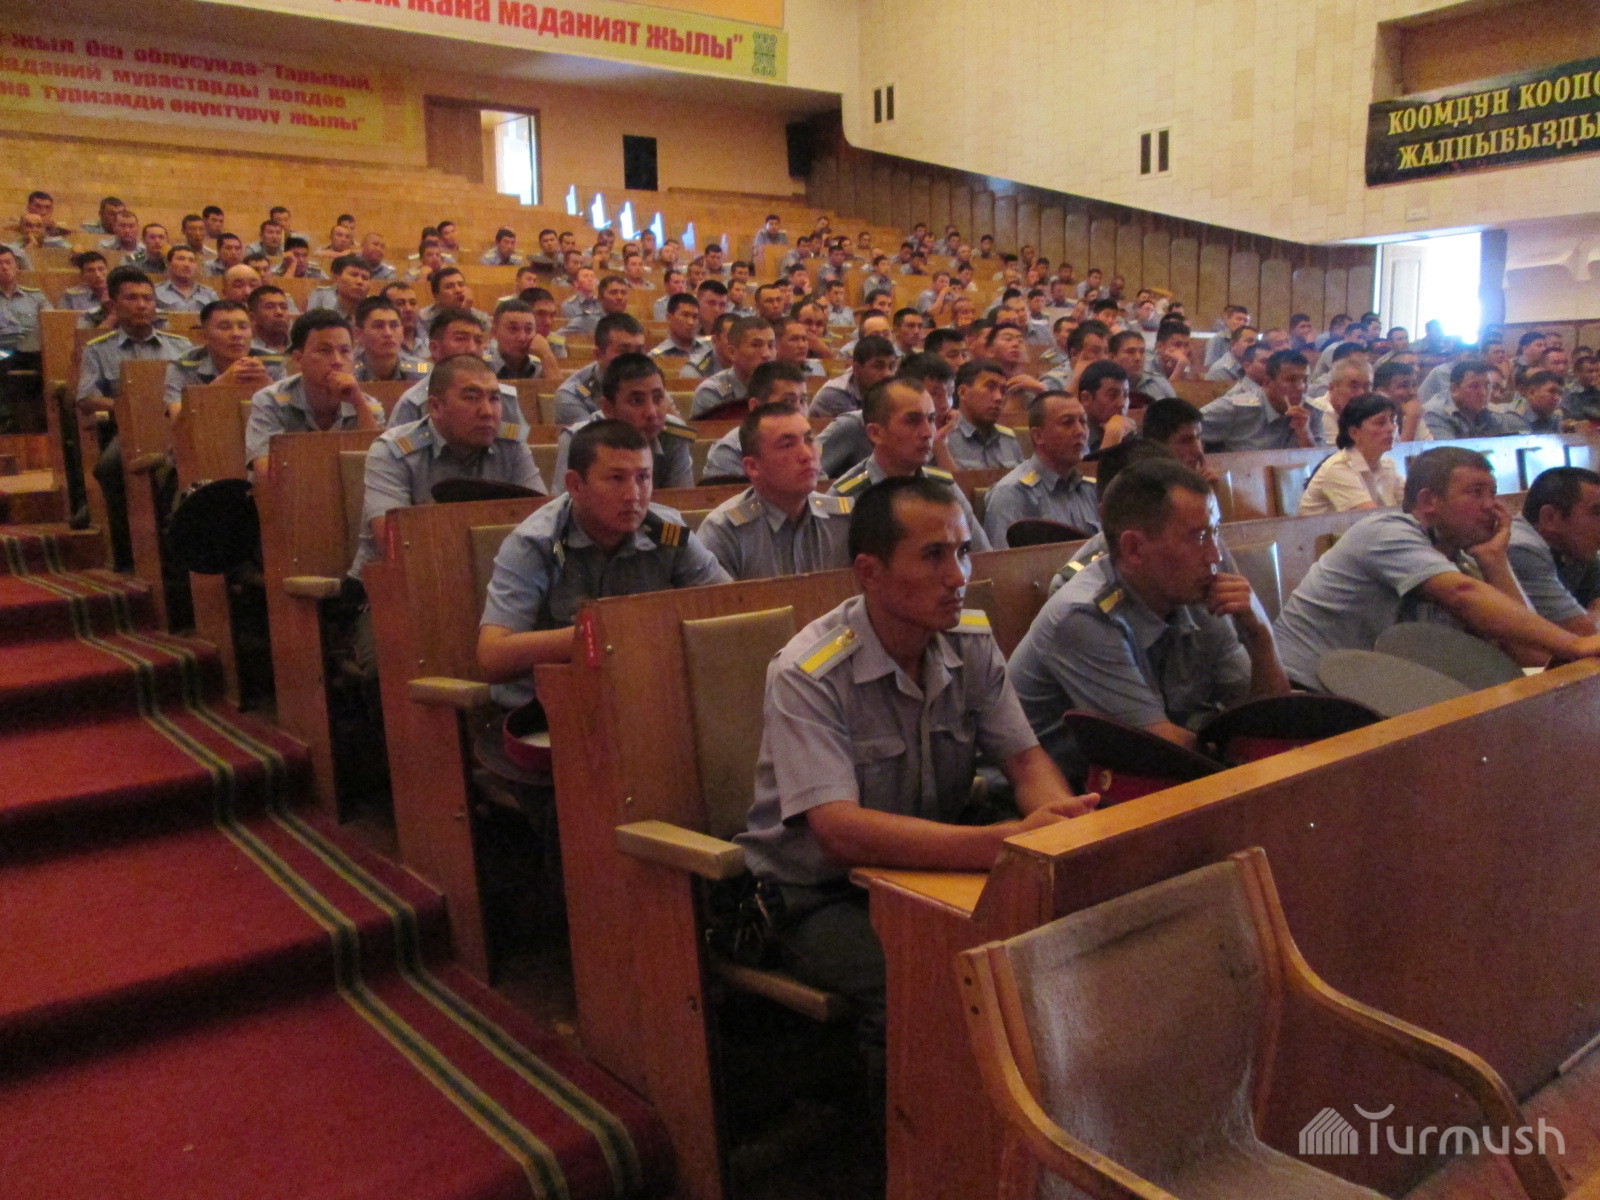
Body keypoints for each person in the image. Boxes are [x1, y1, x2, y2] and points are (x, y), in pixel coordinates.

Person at [735, 475, 1097, 1115]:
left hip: (932, 867)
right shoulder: (808, 672)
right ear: (870, 572)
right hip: (818, 893)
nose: (958, 576)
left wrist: (1054, 821)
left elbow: (1025, 760)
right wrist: (1002, 844)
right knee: (917, 979)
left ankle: (1025, 1128)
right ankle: (906, 1149)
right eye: (933, 556)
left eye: (963, 552)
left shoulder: (969, 639)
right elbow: (839, 831)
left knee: (1051, 932)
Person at [1009, 458, 1288, 760]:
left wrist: (1260, 637)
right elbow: (1161, 749)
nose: (1215, 555)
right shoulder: (1083, 615)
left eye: (1215, 531)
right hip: (1057, 783)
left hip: (1145, 772)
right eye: (1198, 537)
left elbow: (1267, 717)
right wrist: (1247, 747)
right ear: (1134, 548)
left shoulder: (1195, 590)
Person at [1273, 447, 1600, 687]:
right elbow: (1461, 594)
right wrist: (1574, 644)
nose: (1491, 506)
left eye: (1493, 493)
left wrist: (1494, 560)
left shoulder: (1462, 561)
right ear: (1428, 501)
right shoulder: (1385, 531)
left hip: (1371, 696)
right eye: (1475, 493)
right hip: (1305, 694)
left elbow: (1529, 655)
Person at [477, 419, 729, 707]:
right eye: (616, 479)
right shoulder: (538, 543)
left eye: (643, 477)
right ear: (575, 485)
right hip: (547, 707)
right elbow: (493, 656)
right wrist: (607, 632)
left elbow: (728, 607)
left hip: (642, 697)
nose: (633, 495)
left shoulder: (667, 532)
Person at [349, 354, 545, 580]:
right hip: (393, 583)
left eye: (494, 399)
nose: (487, 412)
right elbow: (394, 545)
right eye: (471, 398)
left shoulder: (511, 446)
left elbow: (542, 523)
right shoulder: (393, 451)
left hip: (492, 579)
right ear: (435, 407)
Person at [77, 267, 193, 567]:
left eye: (147, 298)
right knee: (109, 466)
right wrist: (125, 406)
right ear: (114, 305)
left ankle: (176, 549)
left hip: (178, 425)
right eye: (132, 298)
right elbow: (86, 397)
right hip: (130, 429)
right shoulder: (98, 349)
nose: (142, 305)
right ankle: (127, 547)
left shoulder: (180, 346)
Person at [830, 378, 991, 551]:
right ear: (875, 433)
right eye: (912, 421)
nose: (928, 433)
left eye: (931, 419)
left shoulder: (944, 486)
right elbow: (836, 568)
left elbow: (983, 557)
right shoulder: (844, 498)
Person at [697, 402, 853, 579]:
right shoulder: (725, 532)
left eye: (809, 440)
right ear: (752, 466)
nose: (807, 455)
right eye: (787, 445)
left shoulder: (843, 519)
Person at [244, 309, 385, 480]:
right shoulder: (270, 401)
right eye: (324, 350)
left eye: (345, 351)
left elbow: (380, 470)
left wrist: (359, 404)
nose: (337, 361)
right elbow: (265, 473)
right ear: (298, 359)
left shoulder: (367, 405)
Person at [551, 352, 694, 494]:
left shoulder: (674, 435)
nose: (652, 413)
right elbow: (564, 505)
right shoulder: (577, 440)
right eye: (637, 401)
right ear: (608, 408)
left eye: (658, 398)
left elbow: (682, 500)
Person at [980, 389, 1099, 546]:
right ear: (1038, 436)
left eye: (1083, 421)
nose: (1080, 431)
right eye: (1067, 422)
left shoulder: (1090, 489)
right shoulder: (1012, 494)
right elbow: (1004, 560)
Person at [389, 307, 524, 430]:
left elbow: (517, 447)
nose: (472, 349)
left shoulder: (505, 399)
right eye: (461, 339)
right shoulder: (413, 404)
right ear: (435, 348)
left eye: (478, 341)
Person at [1505, 467, 1600, 634]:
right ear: (1550, 517)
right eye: (1597, 513)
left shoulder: (1575, 547)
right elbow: (1582, 633)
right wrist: (1587, 620)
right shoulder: (1520, 548)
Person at [163, 299, 285, 417]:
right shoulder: (183, 367)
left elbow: (290, 413)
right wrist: (219, 387)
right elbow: (178, 422)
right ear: (203, 335)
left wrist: (269, 386)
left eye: (243, 327)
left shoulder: (272, 362)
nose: (236, 334)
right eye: (225, 327)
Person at [1297, 393, 1405, 516]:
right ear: (1354, 433)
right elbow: (1373, 519)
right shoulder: (1338, 468)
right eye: (1380, 423)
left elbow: (1412, 507)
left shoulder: (1387, 464)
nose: (1391, 428)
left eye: (1393, 420)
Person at [1199, 349, 1316, 450]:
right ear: (1267, 382)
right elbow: (1189, 424)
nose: (1301, 387)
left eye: (1305, 380)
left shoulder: (1311, 410)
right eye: (1291, 380)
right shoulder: (1237, 409)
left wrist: (1304, 433)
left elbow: (1320, 462)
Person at [552, 312, 646, 425]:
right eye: (623, 351)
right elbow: (596, 436)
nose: (634, 360)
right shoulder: (571, 396)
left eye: (639, 351)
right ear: (599, 354)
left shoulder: (651, 383)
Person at [943, 359, 1022, 470]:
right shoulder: (944, 439)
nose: (999, 397)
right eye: (990, 387)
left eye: (1003, 391)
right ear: (963, 392)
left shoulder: (1009, 440)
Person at [691, 316, 775, 417]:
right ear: (732, 352)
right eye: (756, 345)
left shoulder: (783, 388)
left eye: (771, 346)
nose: (767, 354)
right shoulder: (711, 393)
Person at [1422, 360, 1522, 440]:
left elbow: (1519, 426)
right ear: (1454, 389)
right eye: (1474, 386)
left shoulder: (1482, 410)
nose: (1483, 393)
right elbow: (1449, 454)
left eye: (1487, 386)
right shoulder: (1435, 413)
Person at [810, 335, 899, 420]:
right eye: (878, 366)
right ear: (856, 368)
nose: (887, 374)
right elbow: (865, 426)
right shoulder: (834, 394)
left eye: (891, 366)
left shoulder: (886, 391)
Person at [352, 296, 427, 383]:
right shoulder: (349, 373)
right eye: (378, 326)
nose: (388, 333)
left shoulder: (423, 374)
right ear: (359, 334)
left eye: (394, 325)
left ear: (402, 332)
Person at [485, 298, 558, 381]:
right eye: (513, 329)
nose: (522, 338)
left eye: (528, 329)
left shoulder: (539, 366)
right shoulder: (482, 366)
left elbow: (558, 389)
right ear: (494, 332)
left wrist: (547, 355)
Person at [1076, 359, 1135, 454]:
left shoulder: (1129, 431)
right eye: (1112, 395)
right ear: (1086, 398)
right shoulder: (1073, 437)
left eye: (1125, 395)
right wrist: (1112, 438)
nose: (1122, 404)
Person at [649, 293, 714, 379]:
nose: (691, 322)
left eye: (695, 317)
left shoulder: (711, 348)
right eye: (685, 315)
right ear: (669, 318)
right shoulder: (655, 357)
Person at [306, 255, 372, 321]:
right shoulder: (321, 296)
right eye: (353, 275)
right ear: (336, 277)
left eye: (365, 278)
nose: (360, 281)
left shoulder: (373, 307)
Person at [152, 247, 218, 314]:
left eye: (191, 260)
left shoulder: (209, 294)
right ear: (168, 264)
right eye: (181, 259)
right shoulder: (155, 292)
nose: (187, 264)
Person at [247, 283, 294, 354]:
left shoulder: (301, 346)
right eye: (270, 307)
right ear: (252, 317)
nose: (279, 312)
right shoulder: (246, 350)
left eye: (284, 307)